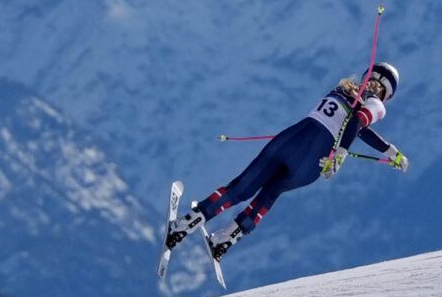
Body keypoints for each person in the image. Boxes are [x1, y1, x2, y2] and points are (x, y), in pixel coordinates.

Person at [165, 62, 409, 261]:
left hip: (293, 139)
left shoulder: (343, 89)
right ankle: (225, 240)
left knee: (241, 188)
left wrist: (386, 151)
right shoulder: (377, 105)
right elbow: (357, 124)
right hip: (313, 164)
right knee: (271, 193)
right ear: (386, 94)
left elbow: (355, 124)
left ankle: (187, 223)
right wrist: (352, 153)